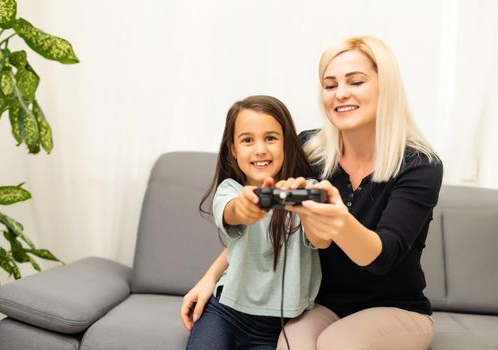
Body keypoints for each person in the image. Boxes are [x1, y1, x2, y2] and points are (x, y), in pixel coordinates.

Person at [181, 35, 443, 350]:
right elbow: (264, 222)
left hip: (396, 309)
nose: (341, 94)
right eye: (330, 85)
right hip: (325, 306)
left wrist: (338, 221)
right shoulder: (311, 149)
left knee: (337, 343)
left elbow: (383, 256)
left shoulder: (419, 164)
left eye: (356, 82)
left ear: (385, 86)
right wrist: (211, 277)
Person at [184, 95, 322, 350]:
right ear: (233, 150)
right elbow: (233, 211)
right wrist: (246, 206)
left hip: (284, 325)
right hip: (225, 312)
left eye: (270, 138)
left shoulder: (307, 190)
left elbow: (320, 239)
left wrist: (306, 207)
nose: (260, 149)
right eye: (247, 140)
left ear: (286, 144)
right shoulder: (230, 190)